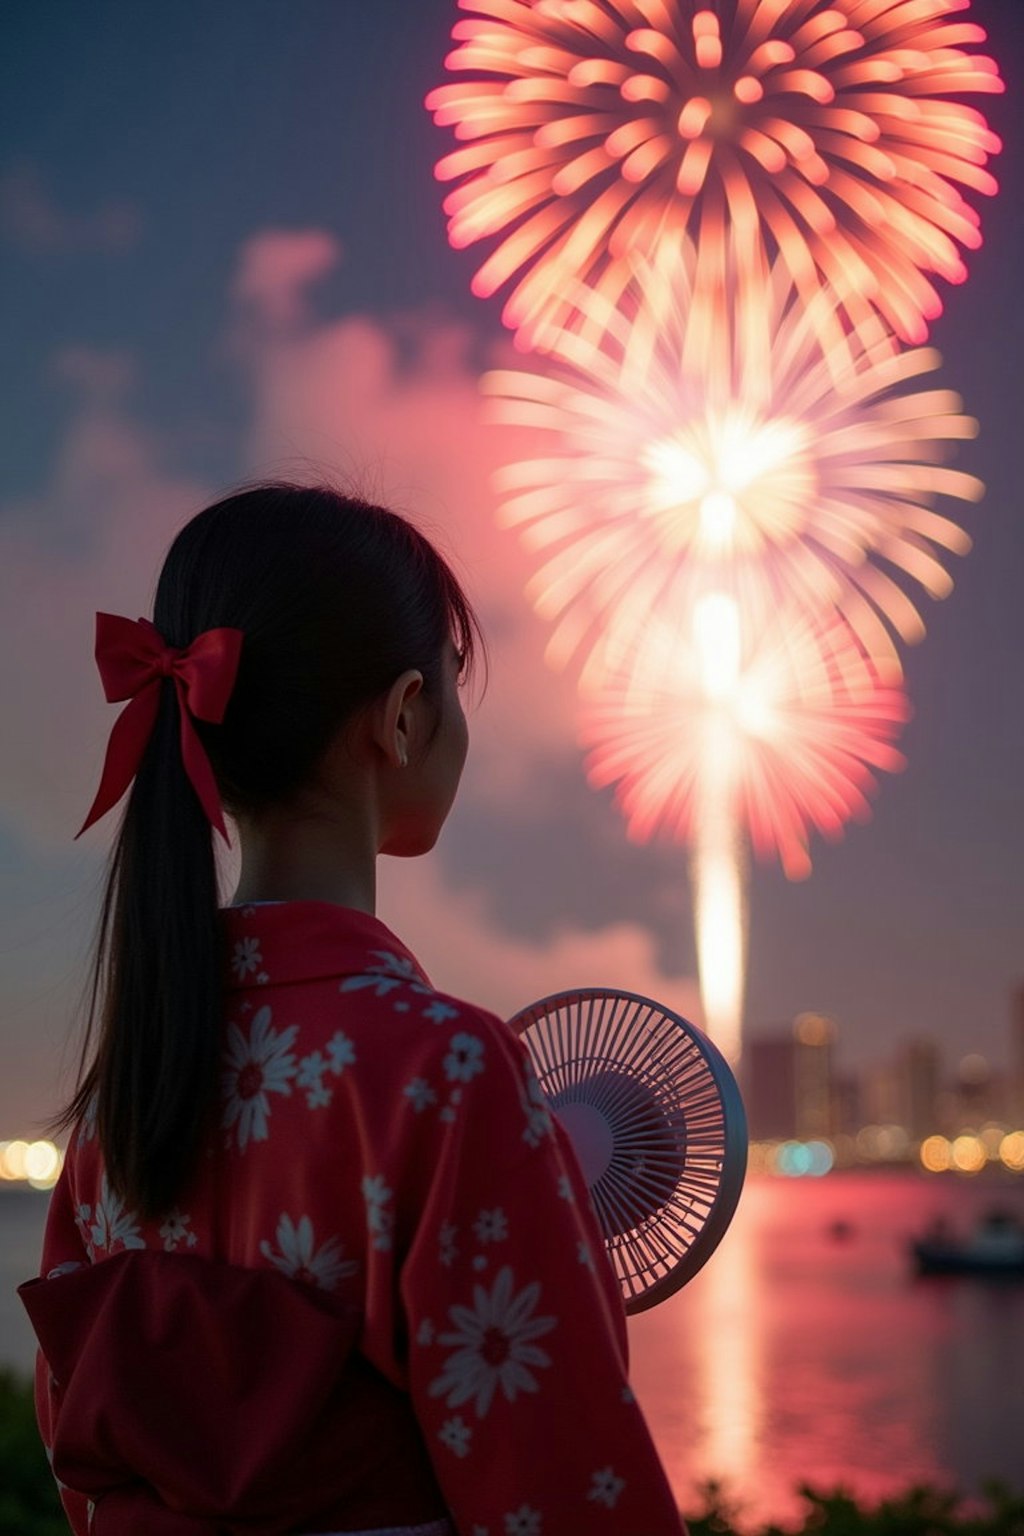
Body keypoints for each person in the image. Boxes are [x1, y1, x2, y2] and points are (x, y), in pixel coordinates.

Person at [19, 481, 687, 1536]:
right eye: (457, 689)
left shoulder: (122, 1101)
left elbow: (83, 1460)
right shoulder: (449, 1073)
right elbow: (560, 1483)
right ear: (406, 715)